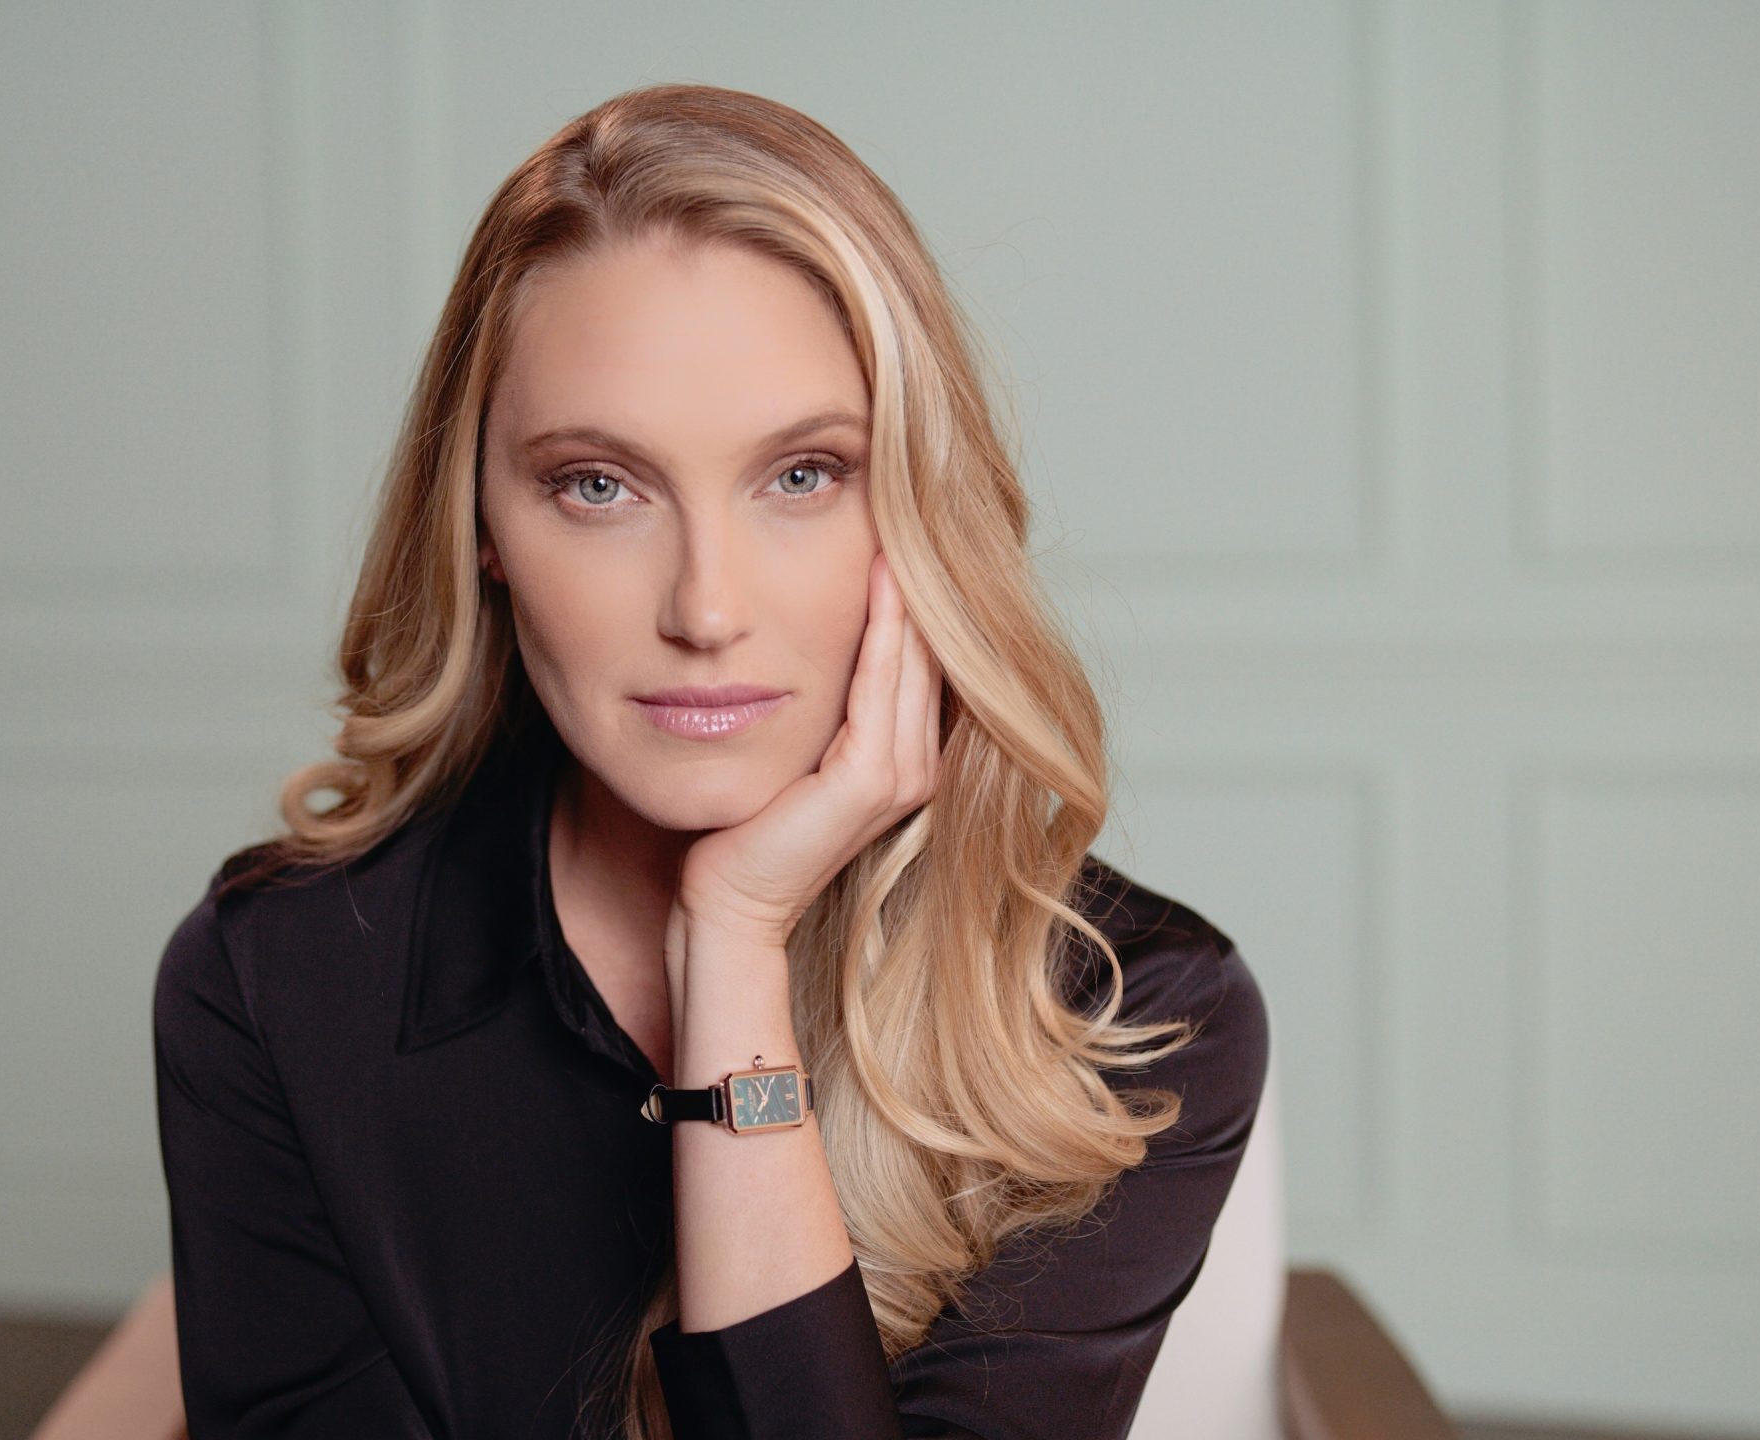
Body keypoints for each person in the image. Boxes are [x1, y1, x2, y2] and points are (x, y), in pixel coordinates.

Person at [152, 81, 1270, 1440]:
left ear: (918, 510)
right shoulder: (279, 976)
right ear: (483, 528)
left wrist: (732, 947)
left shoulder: (1129, 1016)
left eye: (802, 474)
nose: (707, 607)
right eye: (598, 486)